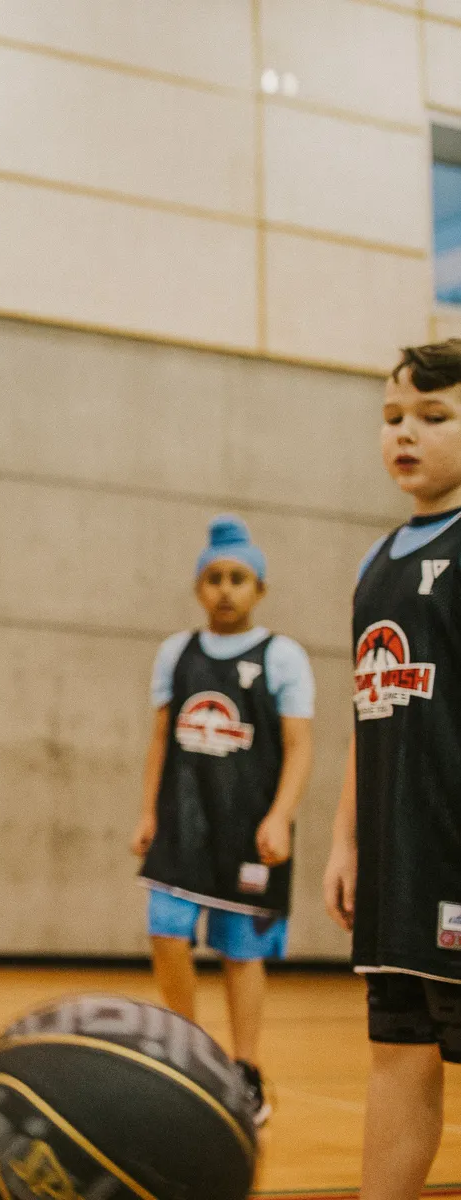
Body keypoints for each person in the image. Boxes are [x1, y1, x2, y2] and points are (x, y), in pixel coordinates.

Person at [325, 340, 461, 1199]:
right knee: (397, 1055)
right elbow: (368, 713)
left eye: (433, 417)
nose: (404, 434)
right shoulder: (377, 561)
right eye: (392, 418)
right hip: (396, 866)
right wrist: (345, 841)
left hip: (454, 853)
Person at [130, 514, 314, 1126]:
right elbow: (161, 739)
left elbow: (300, 746)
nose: (226, 589)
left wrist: (281, 817)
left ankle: (247, 1069)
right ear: (198, 588)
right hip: (184, 822)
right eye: (214, 578)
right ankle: (187, 1052)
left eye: (239, 578)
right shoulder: (175, 654)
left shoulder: (282, 656)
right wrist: (148, 811)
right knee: (165, 928)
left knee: (240, 953)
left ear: (259, 588)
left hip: (247, 829)